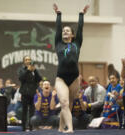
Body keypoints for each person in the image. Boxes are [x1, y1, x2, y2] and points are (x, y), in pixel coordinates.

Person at [53, 3, 89, 133]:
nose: (64, 31)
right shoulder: (58, 43)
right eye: (64, 31)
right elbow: (57, 28)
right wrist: (58, 14)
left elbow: (80, 28)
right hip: (61, 78)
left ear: (72, 35)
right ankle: (70, 128)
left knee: (69, 104)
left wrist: (81, 14)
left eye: (67, 30)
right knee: (64, 102)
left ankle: (61, 127)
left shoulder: (77, 43)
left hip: (74, 78)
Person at [17, 56, 42, 131]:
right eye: (26, 60)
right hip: (24, 93)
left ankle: (31, 127)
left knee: (32, 111)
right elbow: (21, 78)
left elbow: (39, 79)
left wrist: (35, 71)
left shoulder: (34, 70)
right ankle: (23, 128)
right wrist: (28, 70)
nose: (28, 61)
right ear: (24, 62)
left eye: (29, 60)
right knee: (24, 111)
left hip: (32, 93)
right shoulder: (21, 70)